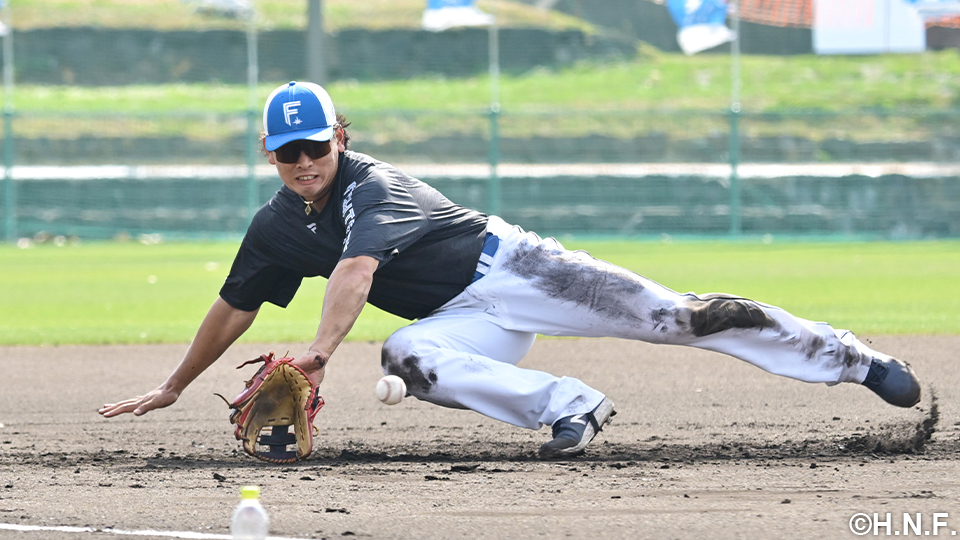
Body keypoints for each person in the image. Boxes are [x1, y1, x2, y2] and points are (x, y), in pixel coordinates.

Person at [99, 81, 922, 459]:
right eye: (286, 153)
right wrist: (175, 382)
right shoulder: (277, 224)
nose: (302, 162)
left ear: (339, 138)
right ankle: (570, 408)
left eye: (315, 146)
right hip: (469, 318)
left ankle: (854, 359)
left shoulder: (373, 185)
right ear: (270, 156)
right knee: (410, 356)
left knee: (683, 318)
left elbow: (354, 272)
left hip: (520, 269)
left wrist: (319, 347)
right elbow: (233, 306)